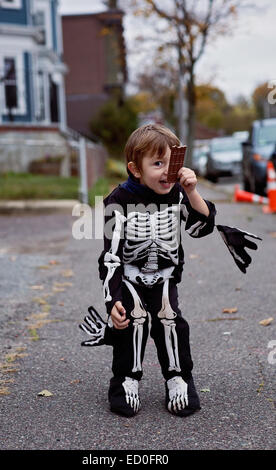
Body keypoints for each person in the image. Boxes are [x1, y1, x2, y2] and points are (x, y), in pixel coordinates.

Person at [95, 124, 216, 418]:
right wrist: (112, 301)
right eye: (157, 163)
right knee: (130, 322)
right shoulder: (118, 201)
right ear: (135, 169)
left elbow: (203, 226)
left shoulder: (178, 194)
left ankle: (178, 378)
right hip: (130, 278)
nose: (166, 172)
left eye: (171, 162)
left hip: (164, 278)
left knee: (170, 321)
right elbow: (110, 256)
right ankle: (126, 379)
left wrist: (192, 191)